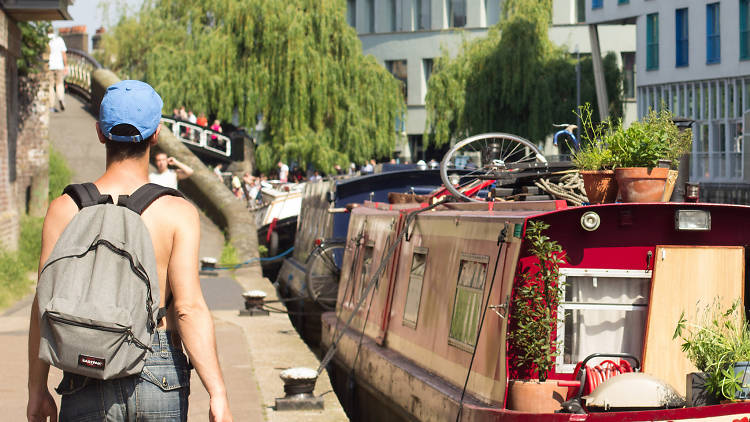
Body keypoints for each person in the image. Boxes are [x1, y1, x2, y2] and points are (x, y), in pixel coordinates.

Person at [26, 80, 233, 422]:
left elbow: (43, 305)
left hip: (82, 366)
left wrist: (37, 390)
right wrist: (218, 394)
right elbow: (187, 309)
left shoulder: (63, 208)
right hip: (158, 367)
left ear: (100, 133)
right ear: (156, 134)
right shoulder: (176, 212)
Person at [47, 27, 67, 111]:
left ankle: (51, 105)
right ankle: (61, 98)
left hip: (49, 65)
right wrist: (66, 65)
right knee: (59, 84)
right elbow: (63, 54)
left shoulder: (46, 40)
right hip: (59, 65)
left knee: (51, 86)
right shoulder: (59, 40)